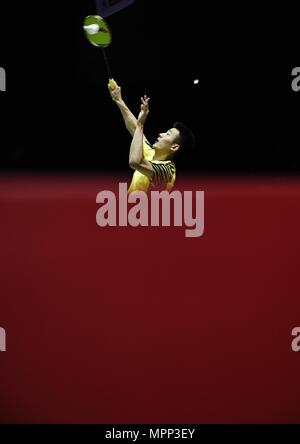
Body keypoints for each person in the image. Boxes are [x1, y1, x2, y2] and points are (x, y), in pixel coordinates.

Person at [108, 80, 195, 193]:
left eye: (167, 134)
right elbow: (134, 129)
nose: (161, 134)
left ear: (174, 147)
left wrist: (140, 124)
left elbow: (134, 162)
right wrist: (118, 99)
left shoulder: (167, 171)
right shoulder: (150, 154)